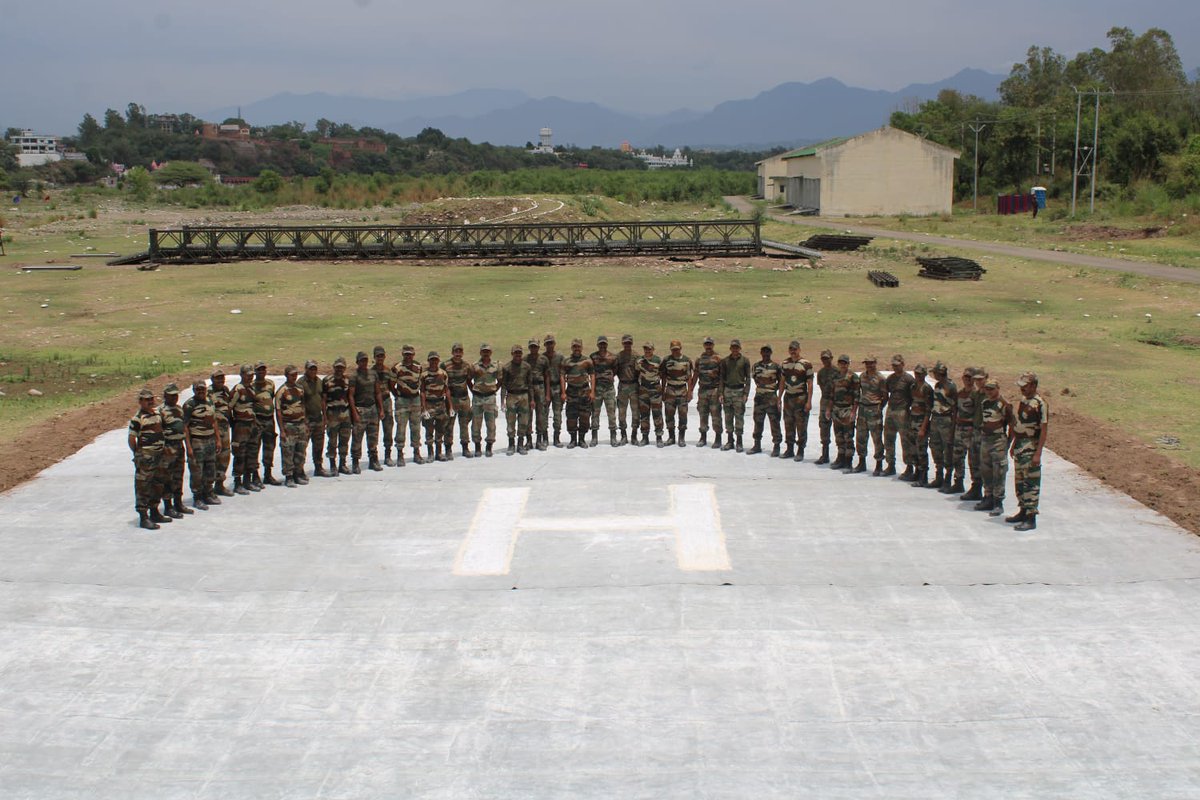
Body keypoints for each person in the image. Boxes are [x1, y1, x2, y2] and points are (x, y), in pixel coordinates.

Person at [1006, 372, 1048, 532]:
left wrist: (1038, 453)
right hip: (1020, 447)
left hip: (1031, 448)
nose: (1022, 389)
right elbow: (1020, 426)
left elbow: (1044, 430)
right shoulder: (1024, 401)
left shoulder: (1040, 404)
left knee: (1031, 483)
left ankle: (1031, 517)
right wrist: (1014, 444)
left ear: (1033, 386)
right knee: (1020, 481)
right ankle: (1023, 510)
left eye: (1025, 386)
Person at [128, 388, 169, 530]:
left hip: (159, 456)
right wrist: (138, 454)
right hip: (146, 458)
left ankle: (155, 511)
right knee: (143, 487)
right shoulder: (137, 419)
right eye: (147, 400)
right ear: (140, 402)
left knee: (158, 484)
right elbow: (132, 439)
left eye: (151, 399)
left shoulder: (157, 414)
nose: (150, 401)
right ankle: (143, 517)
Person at [181, 380, 221, 510]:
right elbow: (185, 427)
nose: (201, 391)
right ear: (194, 390)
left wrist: (218, 439)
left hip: (210, 440)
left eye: (203, 389)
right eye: (198, 389)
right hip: (197, 440)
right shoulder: (189, 405)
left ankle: (208, 493)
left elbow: (214, 421)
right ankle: (197, 497)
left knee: (210, 469)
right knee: (197, 471)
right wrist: (189, 447)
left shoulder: (209, 402)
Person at [974, 378, 1010, 516]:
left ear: (998, 389)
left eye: (991, 389)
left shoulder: (1004, 404)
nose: (988, 391)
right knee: (986, 470)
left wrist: (1007, 442)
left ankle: (998, 502)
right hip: (986, 440)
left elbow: (1011, 424)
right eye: (987, 389)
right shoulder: (985, 403)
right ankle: (988, 497)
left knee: (999, 472)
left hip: (998, 441)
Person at [157, 383, 193, 518]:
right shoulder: (160, 411)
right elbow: (158, 431)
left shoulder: (179, 409)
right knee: (167, 478)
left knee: (178, 476)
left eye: (176, 395)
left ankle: (178, 503)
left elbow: (184, 428)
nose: (174, 398)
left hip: (179, 447)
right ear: (165, 396)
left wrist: (188, 446)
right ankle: (168, 506)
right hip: (168, 448)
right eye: (171, 396)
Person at [275, 365, 310, 487]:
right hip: (288, 425)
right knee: (288, 452)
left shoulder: (299, 389)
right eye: (291, 375)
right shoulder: (282, 391)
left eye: (295, 374)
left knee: (300, 451)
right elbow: (278, 411)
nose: (294, 377)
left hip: (300, 424)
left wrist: (305, 423)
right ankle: (288, 476)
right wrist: (282, 430)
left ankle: (297, 473)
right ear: (286, 375)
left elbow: (303, 406)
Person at [348, 351, 383, 472]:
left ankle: (373, 460)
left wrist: (381, 409)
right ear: (357, 362)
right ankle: (355, 462)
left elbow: (378, 392)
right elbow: (351, 396)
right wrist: (354, 413)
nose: (364, 363)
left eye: (365, 360)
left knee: (373, 436)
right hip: (360, 408)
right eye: (361, 360)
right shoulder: (354, 376)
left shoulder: (373, 374)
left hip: (372, 408)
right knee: (357, 437)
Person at [944, 366, 976, 495]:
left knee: (973, 460)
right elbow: (955, 411)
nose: (967, 380)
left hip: (971, 430)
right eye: (965, 377)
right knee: (957, 457)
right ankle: (958, 482)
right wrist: (952, 430)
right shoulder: (960, 393)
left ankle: (976, 485)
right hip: (959, 428)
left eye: (970, 377)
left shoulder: (976, 395)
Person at [779, 340, 814, 461]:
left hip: (801, 398)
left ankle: (800, 450)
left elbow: (810, 384)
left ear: (799, 349)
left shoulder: (806, 364)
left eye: (795, 349)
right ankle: (789, 449)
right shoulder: (785, 363)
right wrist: (779, 398)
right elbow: (782, 381)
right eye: (791, 349)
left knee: (801, 425)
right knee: (788, 424)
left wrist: (809, 401)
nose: (793, 351)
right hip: (788, 397)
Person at [926, 361, 957, 489]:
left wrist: (953, 427)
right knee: (935, 447)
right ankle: (938, 476)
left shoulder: (951, 387)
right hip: (936, 419)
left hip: (946, 420)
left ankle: (948, 478)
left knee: (947, 449)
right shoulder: (937, 385)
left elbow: (955, 408)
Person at [230, 365, 261, 494]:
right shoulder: (238, 389)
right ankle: (238, 482)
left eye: (252, 375)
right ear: (242, 375)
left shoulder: (252, 388)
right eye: (248, 375)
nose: (250, 377)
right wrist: (235, 423)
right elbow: (229, 407)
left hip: (252, 425)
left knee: (251, 453)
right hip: (241, 427)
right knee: (240, 454)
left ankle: (248, 481)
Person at [883, 355, 915, 478]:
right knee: (888, 439)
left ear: (903, 364)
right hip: (891, 410)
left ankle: (909, 466)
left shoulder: (908, 379)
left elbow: (913, 396)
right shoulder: (890, 379)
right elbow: (886, 394)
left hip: (903, 412)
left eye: (897, 365)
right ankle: (890, 464)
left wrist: (908, 410)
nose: (895, 367)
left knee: (905, 440)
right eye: (893, 365)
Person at [392, 345, 424, 465]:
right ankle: (400, 454)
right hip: (402, 401)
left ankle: (417, 452)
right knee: (401, 428)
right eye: (406, 354)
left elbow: (420, 383)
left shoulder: (418, 367)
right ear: (402, 354)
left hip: (415, 400)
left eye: (410, 354)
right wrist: (398, 396)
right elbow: (391, 384)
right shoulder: (397, 368)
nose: (408, 356)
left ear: (413, 354)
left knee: (416, 427)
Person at [749, 344, 782, 456]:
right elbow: (755, 379)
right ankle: (757, 444)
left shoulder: (776, 367)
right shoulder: (756, 366)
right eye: (764, 352)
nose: (766, 354)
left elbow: (781, 382)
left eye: (767, 352)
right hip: (759, 398)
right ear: (761, 353)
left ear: (771, 353)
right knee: (758, 421)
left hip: (771, 397)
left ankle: (776, 445)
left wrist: (773, 390)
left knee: (774, 422)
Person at [660, 339, 694, 448]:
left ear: (681, 348)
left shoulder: (687, 360)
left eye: (677, 349)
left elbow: (689, 378)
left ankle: (681, 437)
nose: (675, 351)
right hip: (670, 389)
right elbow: (664, 377)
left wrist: (690, 392)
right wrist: (663, 391)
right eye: (673, 349)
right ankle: (671, 437)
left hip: (682, 389)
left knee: (683, 414)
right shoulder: (666, 360)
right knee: (669, 414)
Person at [718, 339, 751, 452]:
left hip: (739, 391)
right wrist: (721, 393)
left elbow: (748, 378)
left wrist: (746, 393)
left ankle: (739, 442)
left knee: (739, 417)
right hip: (727, 391)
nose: (735, 349)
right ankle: (730, 441)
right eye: (733, 347)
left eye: (737, 347)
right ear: (730, 348)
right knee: (728, 417)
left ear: (740, 348)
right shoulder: (725, 361)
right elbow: (721, 378)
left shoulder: (745, 361)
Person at [322, 357, 353, 475]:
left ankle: (342, 464)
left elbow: (350, 397)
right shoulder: (327, 380)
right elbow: (323, 400)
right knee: (332, 441)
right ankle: (332, 465)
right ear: (334, 367)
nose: (339, 369)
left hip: (345, 413)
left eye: (341, 367)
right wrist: (325, 416)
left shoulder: (347, 380)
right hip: (332, 414)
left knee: (344, 440)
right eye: (337, 367)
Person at [501, 344, 533, 455]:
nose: (518, 355)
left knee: (523, 421)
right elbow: (503, 385)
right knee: (510, 421)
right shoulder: (506, 367)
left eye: (519, 353)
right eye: (515, 353)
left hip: (524, 396)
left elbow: (530, 384)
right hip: (511, 396)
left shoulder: (527, 367)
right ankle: (511, 444)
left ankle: (520, 444)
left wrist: (532, 400)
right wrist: (502, 402)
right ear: (512, 354)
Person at [961, 367, 988, 501]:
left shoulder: (990, 394)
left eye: (980, 379)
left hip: (986, 433)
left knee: (985, 464)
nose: (978, 382)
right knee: (973, 461)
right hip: (975, 431)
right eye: (976, 380)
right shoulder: (975, 395)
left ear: (986, 378)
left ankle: (988, 493)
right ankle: (976, 487)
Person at [563, 338, 595, 448]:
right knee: (571, 417)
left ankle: (581, 439)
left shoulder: (587, 360)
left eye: (578, 346)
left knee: (585, 417)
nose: (577, 349)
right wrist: (563, 392)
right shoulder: (567, 361)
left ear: (582, 347)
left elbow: (592, 375)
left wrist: (592, 392)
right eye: (574, 347)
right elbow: (562, 377)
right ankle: (572, 440)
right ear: (572, 348)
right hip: (571, 392)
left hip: (584, 391)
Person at [444, 343, 475, 459]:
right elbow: (444, 384)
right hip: (451, 399)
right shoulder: (445, 365)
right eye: (456, 351)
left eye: (460, 351)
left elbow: (469, 381)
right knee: (449, 425)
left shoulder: (467, 366)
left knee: (464, 423)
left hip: (464, 398)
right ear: (452, 352)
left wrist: (474, 395)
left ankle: (465, 447)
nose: (458, 354)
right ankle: (448, 449)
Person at [829, 355, 860, 471]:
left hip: (847, 409)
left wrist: (853, 412)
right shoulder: (835, 376)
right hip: (837, 409)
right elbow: (832, 395)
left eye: (845, 363)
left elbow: (857, 396)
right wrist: (829, 409)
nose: (843, 365)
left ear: (848, 364)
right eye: (841, 363)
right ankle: (840, 458)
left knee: (848, 437)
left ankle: (848, 461)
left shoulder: (853, 377)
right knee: (839, 436)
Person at [298, 360, 328, 477]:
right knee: (302, 446)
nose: (313, 371)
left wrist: (324, 416)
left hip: (318, 418)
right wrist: (303, 419)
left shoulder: (319, 382)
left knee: (318, 445)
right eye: (310, 369)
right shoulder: (301, 383)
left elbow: (323, 400)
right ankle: (300, 470)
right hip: (307, 419)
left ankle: (318, 467)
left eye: (314, 369)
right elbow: (299, 402)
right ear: (306, 369)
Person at [252, 362, 280, 486]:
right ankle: (255, 475)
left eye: (263, 370)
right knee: (255, 448)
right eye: (259, 370)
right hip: (257, 421)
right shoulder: (251, 386)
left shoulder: (270, 384)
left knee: (269, 447)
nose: (261, 372)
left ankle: (268, 474)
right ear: (255, 372)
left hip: (269, 421)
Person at [420, 351, 452, 462]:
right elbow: (422, 392)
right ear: (428, 361)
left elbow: (446, 390)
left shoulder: (443, 374)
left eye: (436, 360)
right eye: (431, 360)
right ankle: (430, 453)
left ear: (438, 361)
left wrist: (450, 407)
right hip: (429, 404)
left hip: (440, 404)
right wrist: (423, 409)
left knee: (440, 430)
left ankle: (439, 453)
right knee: (429, 430)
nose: (434, 362)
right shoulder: (424, 375)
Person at [208, 369, 235, 497]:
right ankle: (208, 488)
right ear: (212, 379)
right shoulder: (208, 392)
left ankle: (219, 485)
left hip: (225, 428)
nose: (220, 380)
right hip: (214, 430)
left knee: (225, 457)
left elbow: (228, 407)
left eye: (222, 378)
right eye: (217, 378)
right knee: (212, 459)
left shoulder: (225, 390)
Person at [589, 335, 619, 447]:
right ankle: (594, 437)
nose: (602, 346)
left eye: (604, 344)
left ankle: (613, 437)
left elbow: (615, 369)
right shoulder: (593, 357)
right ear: (597, 345)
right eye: (600, 344)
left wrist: (610, 376)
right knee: (595, 413)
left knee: (611, 413)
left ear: (607, 344)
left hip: (609, 389)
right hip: (597, 389)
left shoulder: (613, 357)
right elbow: (590, 371)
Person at [471, 344, 500, 457]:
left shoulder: (496, 365)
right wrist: (473, 390)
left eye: (487, 351)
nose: (486, 353)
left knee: (491, 423)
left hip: (490, 398)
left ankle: (489, 446)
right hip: (478, 397)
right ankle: (477, 446)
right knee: (476, 423)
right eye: (484, 351)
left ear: (491, 352)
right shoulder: (475, 366)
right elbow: (469, 379)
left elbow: (500, 379)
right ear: (480, 353)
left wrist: (494, 389)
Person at [694, 336, 722, 448]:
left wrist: (720, 392)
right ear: (704, 345)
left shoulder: (718, 359)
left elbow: (722, 377)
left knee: (716, 415)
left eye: (710, 344)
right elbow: (696, 374)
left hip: (714, 390)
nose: (708, 346)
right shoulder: (699, 359)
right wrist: (690, 389)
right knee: (703, 414)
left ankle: (718, 438)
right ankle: (703, 437)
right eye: (706, 344)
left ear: (713, 345)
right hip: (703, 390)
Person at [908, 364, 933, 487]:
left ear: (925, 375)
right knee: (913, 449)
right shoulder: (913, 386)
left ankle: (923, 476)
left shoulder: (927, 388)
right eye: (916, 373)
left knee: (921, 450)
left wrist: (923, 427)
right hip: (913, 420)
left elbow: (929, 410)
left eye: (920, 374)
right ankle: (917, 471)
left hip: (921, 422)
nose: (917, 376)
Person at [635, 342, 665, 447]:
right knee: (644, 414)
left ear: (653, 349)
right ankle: (644, 437)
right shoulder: (639, 361)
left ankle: (659, 437)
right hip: (643, 390)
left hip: (655, 390)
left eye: (649, 349)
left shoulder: (659, 360)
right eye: (645, 349)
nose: (647, 351)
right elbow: (637, 373)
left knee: (657, 414)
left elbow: (662, 374)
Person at [373, 346, 398, 466]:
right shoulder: (371, 372)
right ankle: (374, 457)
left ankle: (388, 456)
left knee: (388, 429)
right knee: (374, 431)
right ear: (374, 357)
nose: (380, 358)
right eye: (378, 356)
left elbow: (392, 387)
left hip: (386, 401)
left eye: (382, 356)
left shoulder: (388, 371)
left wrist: (399, 397)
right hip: (374, 403)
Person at [615, 333, 639, 446]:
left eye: (629, 343)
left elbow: (639, 372)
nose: (627, 345)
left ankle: (634, 435)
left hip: (634, 386)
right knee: (621, 412)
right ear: (622, 343)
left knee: (635, 412)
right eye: (625, 343)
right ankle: (623, 435)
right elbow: (615, 370)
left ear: (632, 343)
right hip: (623, 386)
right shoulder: (618, 356)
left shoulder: (636, 356)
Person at [543, 334, 567, 447]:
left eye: (551, 343)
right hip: (545, 388)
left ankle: (556, 438)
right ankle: (545, 438)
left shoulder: (560, 357)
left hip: (557, 387)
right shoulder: (542, 358)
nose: (549, 345)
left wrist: (563, 392)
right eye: (547, 343)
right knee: (544, 414)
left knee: (557, 415)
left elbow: (562, 374)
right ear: (545, 345)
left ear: (554, 344)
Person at [814, 349, 838, 464]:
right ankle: (825, 454)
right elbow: (822, 388)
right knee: (824, 428)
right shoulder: (821, 373)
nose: (825, 361)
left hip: (837, 402)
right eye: (823, 359)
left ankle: (841, 455)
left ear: (831, 358)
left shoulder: (837, 372)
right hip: (824, 402)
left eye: (827, 358)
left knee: (839, 430)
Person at [528, 338, 549, 451]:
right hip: (529, 388)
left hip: (541, 387)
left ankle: (539, 440)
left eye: (535, 347)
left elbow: (547, 376)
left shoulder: (543, 359)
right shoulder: (525, 359)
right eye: (531, 347)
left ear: (538, 347)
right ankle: (529, 441)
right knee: (528, 415)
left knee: (541, 415)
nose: (533, 349)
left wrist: (547, 394)